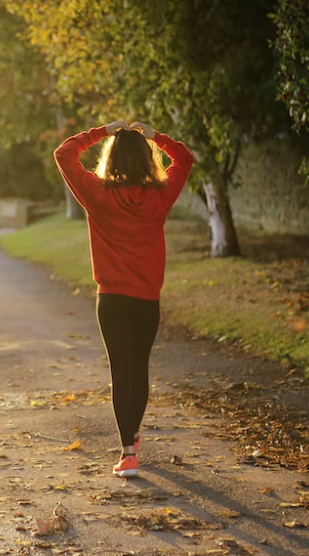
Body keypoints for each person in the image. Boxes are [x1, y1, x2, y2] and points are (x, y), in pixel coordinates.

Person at [53, 120, 194, 477]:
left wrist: (102, 131)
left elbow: (64, 153)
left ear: (111, 159)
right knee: (139, 369)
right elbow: (185, 158)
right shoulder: (161, 194)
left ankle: (128, 452)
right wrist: (155, 136)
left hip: (112, 300)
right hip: (146, 300)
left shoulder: (97, 194)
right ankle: (131, 436)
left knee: (121, 371)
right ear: (147, 160)